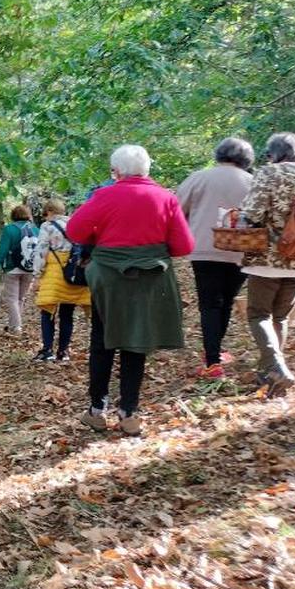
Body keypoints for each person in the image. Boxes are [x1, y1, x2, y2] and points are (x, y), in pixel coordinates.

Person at [66, 145, 193, 437]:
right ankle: (129, 413)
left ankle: (97, 411)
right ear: (148, 169)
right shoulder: (166, 198)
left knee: (103, 340)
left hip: (109, 281)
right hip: (149, 281)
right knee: (137, 342)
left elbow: (75, 231)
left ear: (116, 171)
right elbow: (183, 246)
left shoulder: (104, 195)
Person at [238, 132, 295, 398]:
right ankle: (271, 379)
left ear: (273, 153)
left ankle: (276, 366)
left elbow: (252, 213)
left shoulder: (268, 174)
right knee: (281, 316)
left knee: (258, 314)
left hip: (268, 256)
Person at [176, 137, 255, 378]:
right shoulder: (253, 181)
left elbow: (177, 208)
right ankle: (215, 353)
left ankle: (212, 361)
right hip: (242, 249)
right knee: (227, 300)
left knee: (209, 303)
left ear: (219, 154)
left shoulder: (199, 177)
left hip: (203, 248)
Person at [30, 199, 91, 362]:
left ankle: (47, 350)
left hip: (54, 271)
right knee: (67, 313)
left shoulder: (47, 226)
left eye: (45, 213)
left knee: (48, 312)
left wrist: (36, 275)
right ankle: (63, 351)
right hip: (73, 272)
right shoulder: (75, 224)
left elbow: (41, 250)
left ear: (49, 211)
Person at [0, 205, 37, 334]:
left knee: (12, 298)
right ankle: (14, 325)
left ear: (13, 216)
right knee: (20, 298)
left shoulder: (9, 229)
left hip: (12, 268)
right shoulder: (36, 230)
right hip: (30, 268)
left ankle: (16, 327)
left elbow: (2, 250)